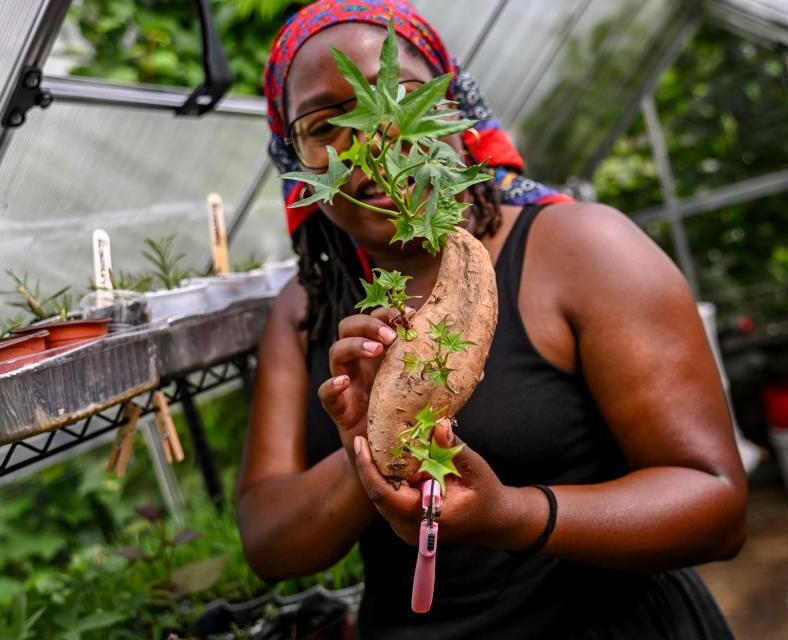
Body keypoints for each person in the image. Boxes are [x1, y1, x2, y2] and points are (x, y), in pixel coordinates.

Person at [237, 1, 748, 638]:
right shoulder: (303, 309)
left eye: (400, 100)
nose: (372, 142)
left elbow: (718, 508)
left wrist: (512, 516)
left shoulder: (583, 249)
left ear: (455, 109)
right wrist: (369, 444)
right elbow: (267, 543)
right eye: (324, 126)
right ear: (296, 162)